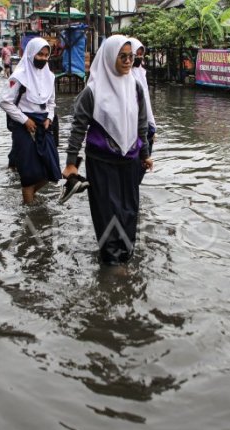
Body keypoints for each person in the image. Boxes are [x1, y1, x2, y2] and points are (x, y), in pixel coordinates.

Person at [63, 35, 153, 265]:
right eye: (122, 56)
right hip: (101, 162)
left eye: (130, 57)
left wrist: (145, 154)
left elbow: (141, 123)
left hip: (130, 159)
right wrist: (71, 163)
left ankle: (126, 254)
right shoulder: (92, 91)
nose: (127, 61)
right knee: (107, 211)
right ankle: (111, 262)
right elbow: (78, 129)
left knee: (129, 210)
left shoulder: (135, 86)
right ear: (110, 57)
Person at [0, 37, 62, 204]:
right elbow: (5, 101)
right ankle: (29, 212)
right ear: (32, 53)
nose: (43, 58)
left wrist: (49, 117)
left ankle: (30, 198)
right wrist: (25, 120)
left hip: (44, 124)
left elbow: (51, 102)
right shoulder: (19, 76)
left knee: (52, 170)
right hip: (23, 126)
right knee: (28, 175)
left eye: (46, 55)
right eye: (39, 54)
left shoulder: (50, 76)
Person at [129, 38, 157, 157]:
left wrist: (153, 125)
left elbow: (146, 102)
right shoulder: (126, 74)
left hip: (144, 121)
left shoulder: (141, 73)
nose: (139, 57)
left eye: (141, 54)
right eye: (137, 54)